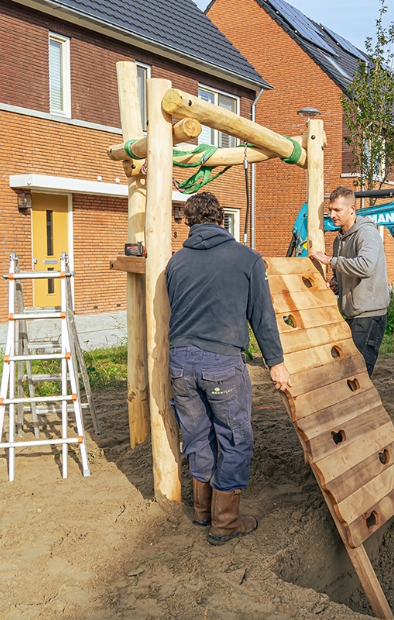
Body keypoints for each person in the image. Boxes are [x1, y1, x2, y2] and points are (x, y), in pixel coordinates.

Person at [166, 191, 291, 546]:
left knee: (197, 436)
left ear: (188, 222)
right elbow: (262, 317)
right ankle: (225, 522)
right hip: (220, 363)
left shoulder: (175, 263)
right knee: (236, 439)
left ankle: (202, 512)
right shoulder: (247, 259)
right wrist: (276, 363)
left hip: (180, 363)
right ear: (221, 219)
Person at [309, 186, 390, 377]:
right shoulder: (340, 240)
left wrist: (330, 260)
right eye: (330, 210)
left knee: (358, 374)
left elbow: (366, 266)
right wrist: (336, 283)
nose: (332, 214)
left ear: (352, 208)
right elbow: (343, 271)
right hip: (353, 315)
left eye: (337, 210)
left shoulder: (367, 234)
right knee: (349, 371)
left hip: (369, 315)